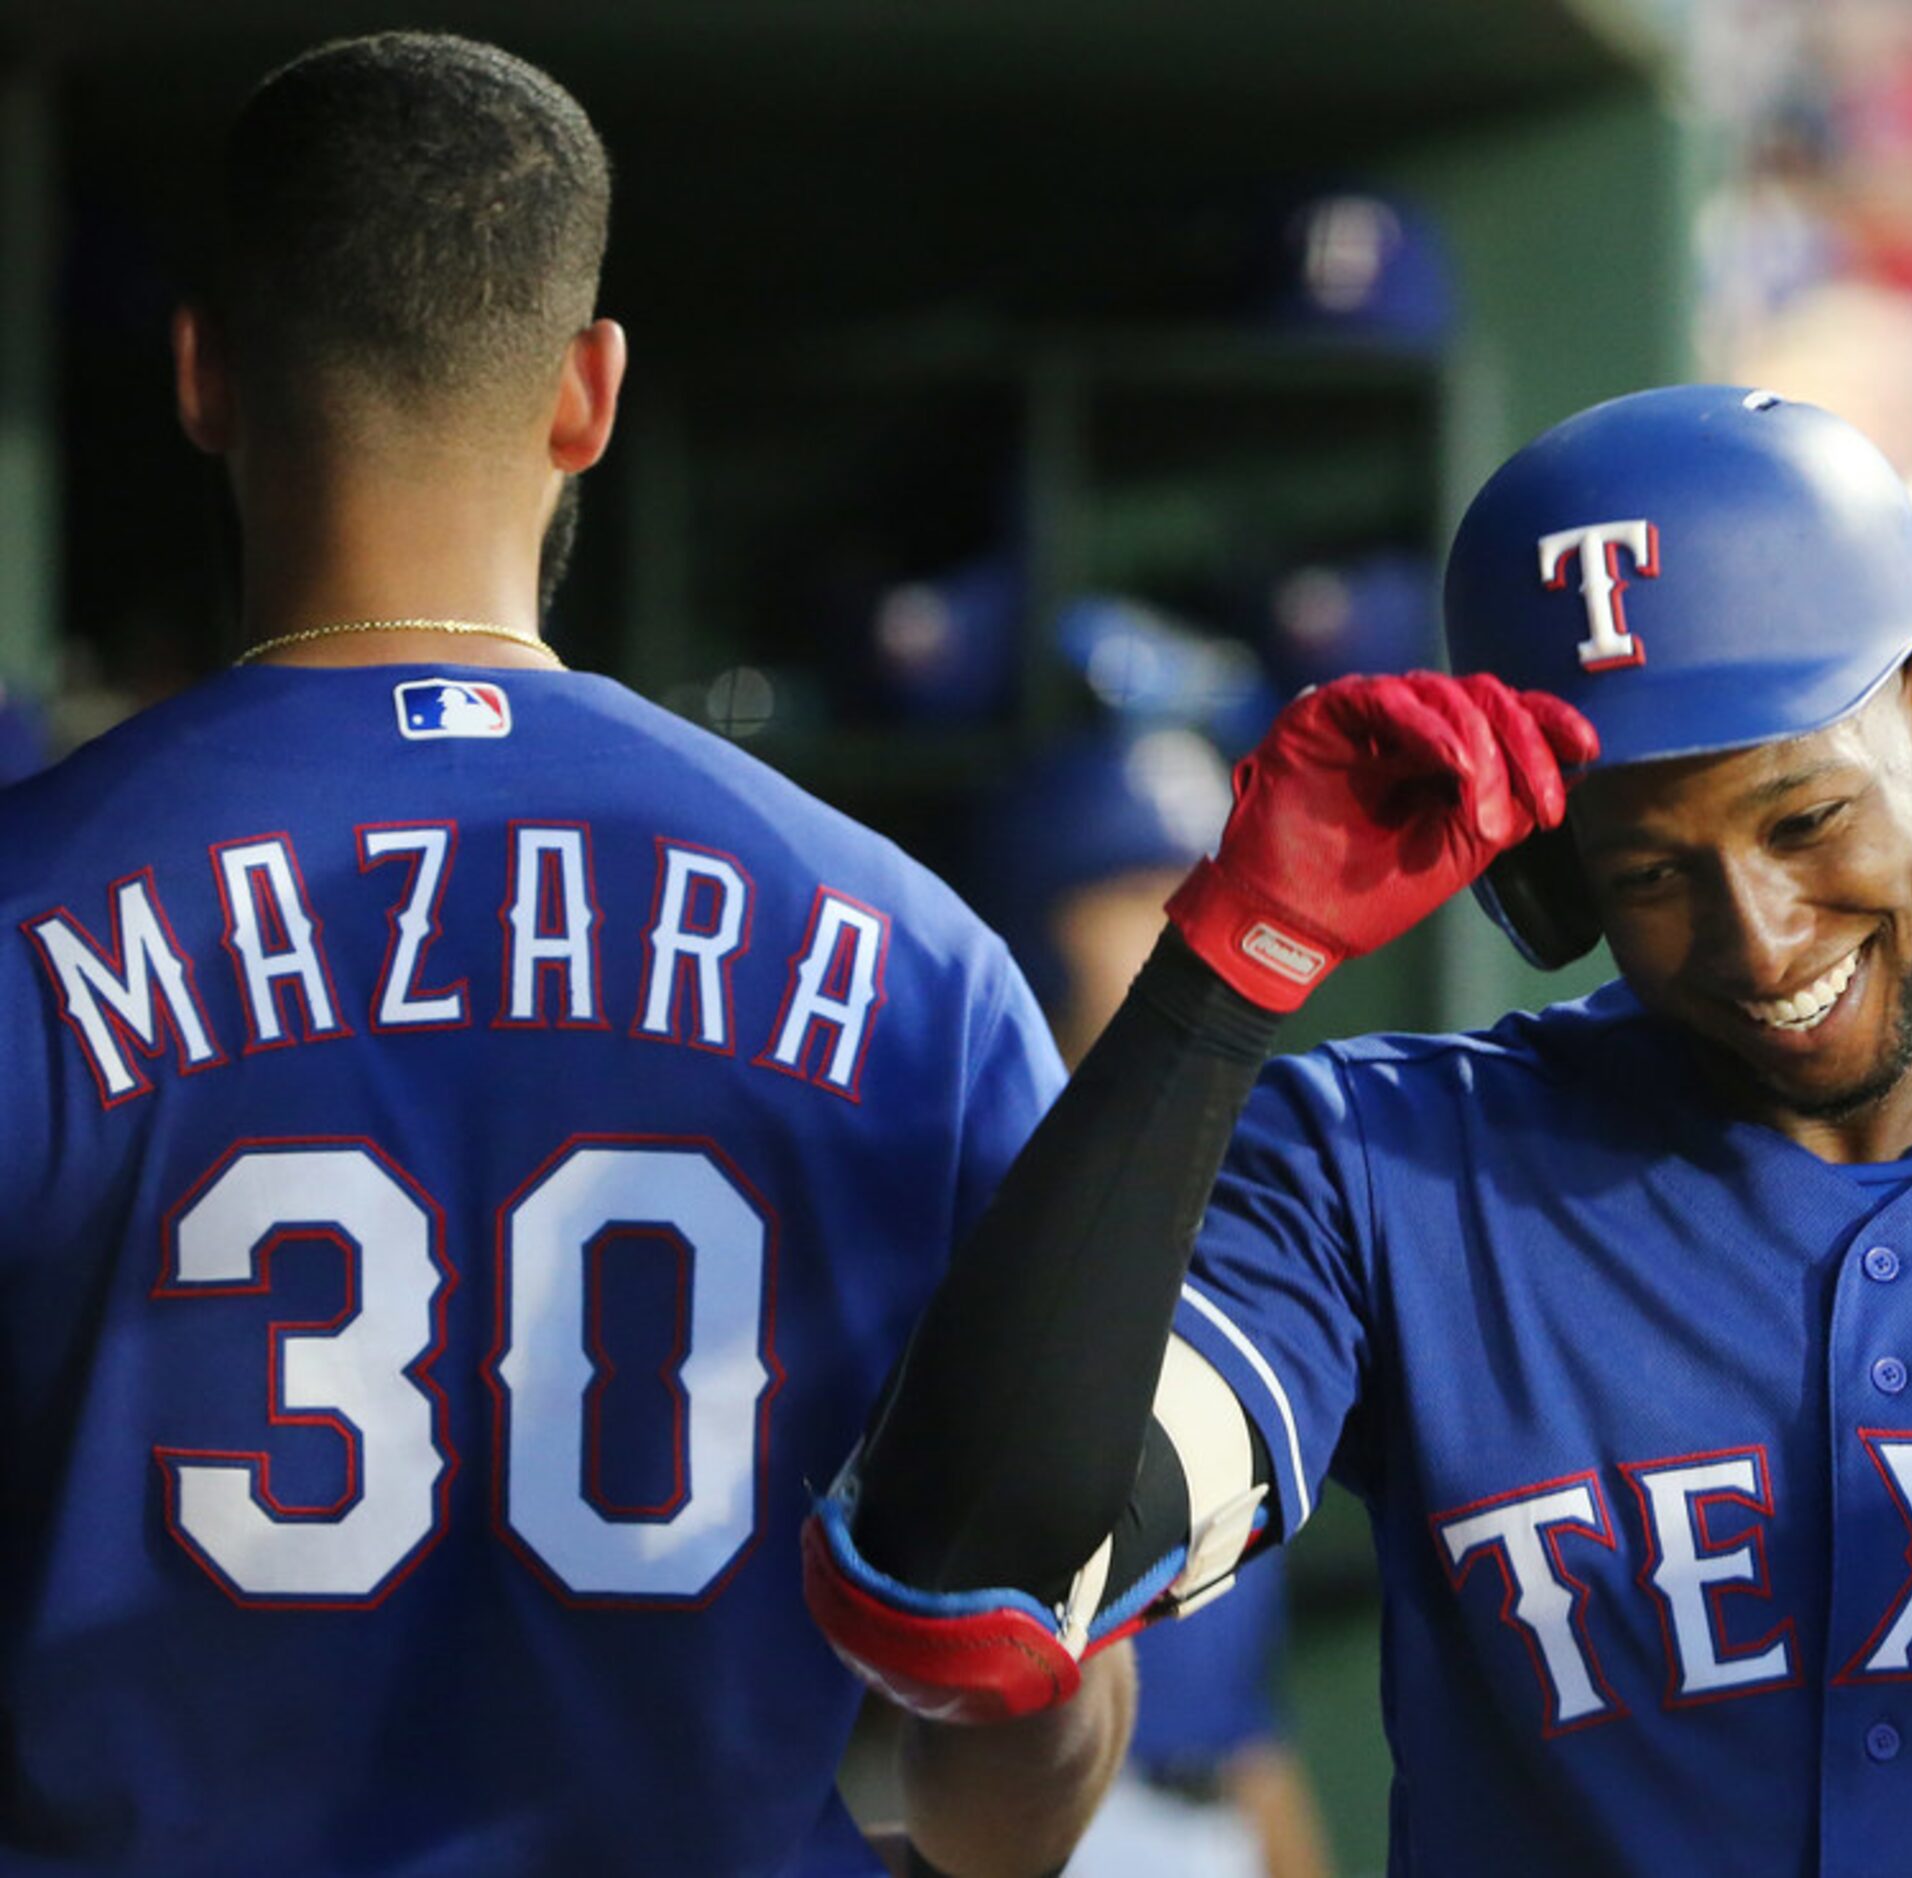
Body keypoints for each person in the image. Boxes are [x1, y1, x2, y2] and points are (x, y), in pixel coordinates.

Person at [805, 384, 1912, 1873]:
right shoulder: (1380, 1173)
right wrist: (1221, 972)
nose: (1754, 935)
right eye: (1649, 868)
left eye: (1804, 816)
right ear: (1546, 876)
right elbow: (976, 1572)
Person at [0, 33, 1123, 1877]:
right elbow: (1016, 1763)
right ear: (587, 394)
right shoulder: (915, 959)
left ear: (202, 376)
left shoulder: (26, 907)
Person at [957, 726, 1335, 1878]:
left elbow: (1225, 1685)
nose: (1187, 937)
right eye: (1136, 897)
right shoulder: (950, 1199)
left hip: (1200, 1809)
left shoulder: (1236, 1212)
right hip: (1015, 1819)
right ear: (1039, 923)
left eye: (1200, 895)